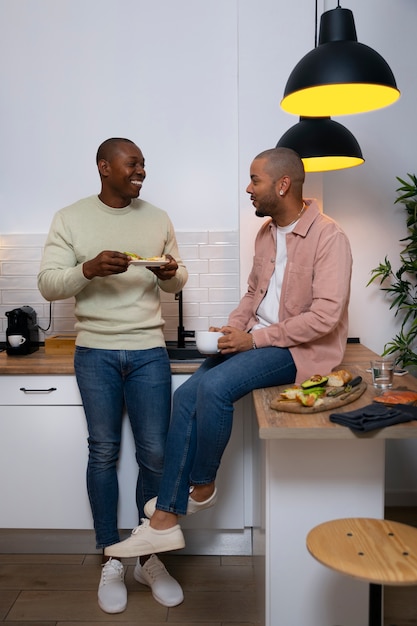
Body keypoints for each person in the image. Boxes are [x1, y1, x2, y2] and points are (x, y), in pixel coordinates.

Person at [104, 146, 353, 559]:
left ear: (283, 184)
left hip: (301, 351)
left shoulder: (330, 236)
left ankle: (197, 491)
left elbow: (325, 316)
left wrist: (252, 339)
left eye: (255, 180)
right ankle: (166, 519)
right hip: (261, 338)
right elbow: (254, 294)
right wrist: (234, 328)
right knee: (185, 395)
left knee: (215, 387)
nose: (248, 188)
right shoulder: (266, 233)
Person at [37, 138, 188, 613]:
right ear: (105, 167)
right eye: (132, 163)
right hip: (95, 352)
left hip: (148, 351)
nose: (141, 169)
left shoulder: (157, 217)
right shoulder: (70, 217)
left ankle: (147, 556)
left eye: (143, 163)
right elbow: (47, 284)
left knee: (157, 456)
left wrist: (169, 272)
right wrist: (87, 269)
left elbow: (179, 276)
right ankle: (111, 556)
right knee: (102, 453)